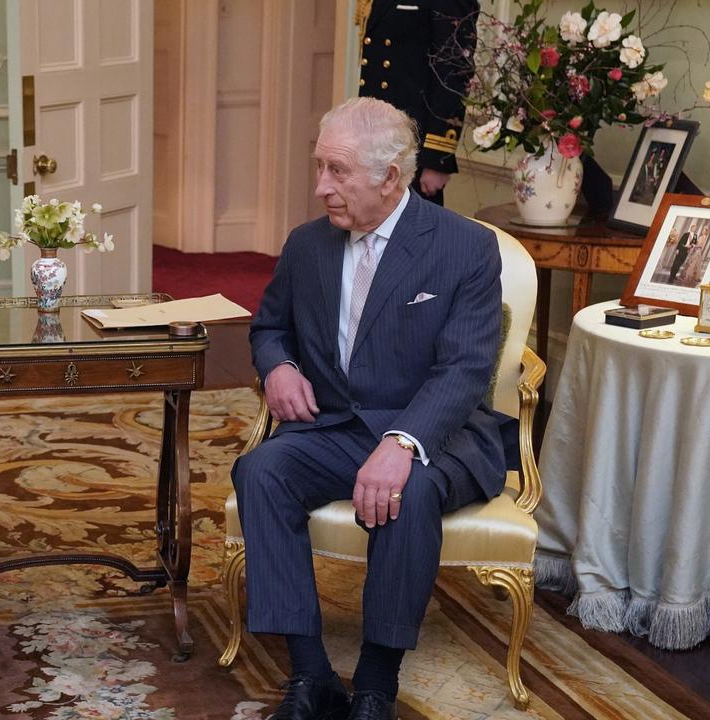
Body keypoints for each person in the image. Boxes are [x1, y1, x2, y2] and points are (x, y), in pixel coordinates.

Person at [232, 97, 514, 720]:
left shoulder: (465, 248)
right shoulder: (308, 245)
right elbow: (268, 326)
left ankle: (375, 686)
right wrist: (277, 366)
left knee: (407, 492)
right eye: (319, 168)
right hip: (335, 426)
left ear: (390, 178)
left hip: (437, 432)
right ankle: (310, 677)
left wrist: (403, 442)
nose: (320, 187)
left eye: (337, 171)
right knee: (261, 470)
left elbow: (464, 369)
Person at [357, 0, 478, 205]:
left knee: (412, 230)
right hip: (377, 141)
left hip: (415, 147)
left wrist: (438, 158)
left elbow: (452, 77)